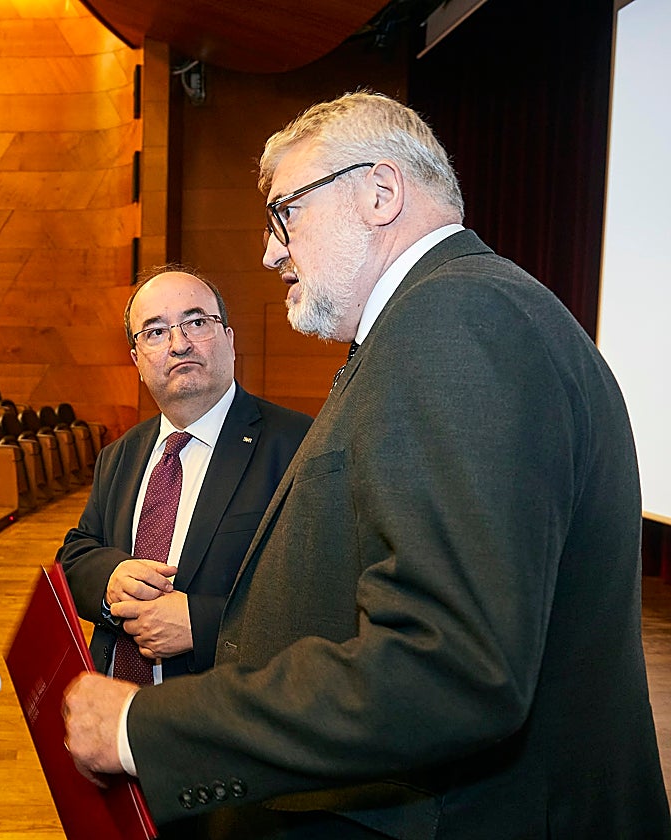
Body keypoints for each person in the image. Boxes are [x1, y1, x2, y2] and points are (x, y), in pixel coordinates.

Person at [63, 91, 671, 838]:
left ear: (380, 192)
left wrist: (144, 728)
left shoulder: (454, 323)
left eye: (285, 212)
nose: (270, 251)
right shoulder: (447, 316)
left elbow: (448, 667)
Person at [59, 268, 310, 690]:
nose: (179, 344)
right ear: (137, 360)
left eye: (196, 323)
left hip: (222, 720)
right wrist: (111, 578)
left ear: (230, 339)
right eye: (155, 332)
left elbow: (320, 597)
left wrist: (205, 626)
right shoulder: (118, 456)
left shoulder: (298, 446)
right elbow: (77, 552)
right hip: (115, 713)